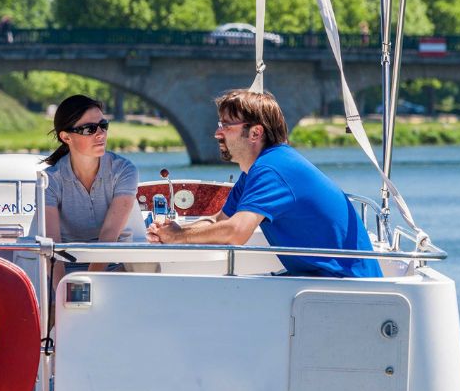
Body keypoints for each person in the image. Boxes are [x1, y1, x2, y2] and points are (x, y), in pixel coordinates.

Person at [147, 89, 381, 278]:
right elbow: (219, 220)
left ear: (255, 133)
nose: (218, 134)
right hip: (326, 279)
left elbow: (236, 232)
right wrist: (171, 231)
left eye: (226, 126)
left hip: (347, 286)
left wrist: (179, 237)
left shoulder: (271, 169)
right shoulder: (257, 170)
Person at [43, 95, 139, 286]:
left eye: (103, 125)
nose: (101, 134)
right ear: (66, 137)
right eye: (90, 129)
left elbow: (109, 235)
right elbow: (52, 245)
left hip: (115, 264)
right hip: (64, 269)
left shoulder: (124, 171)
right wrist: (61, 291)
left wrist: (87, 285)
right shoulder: (49, 180)